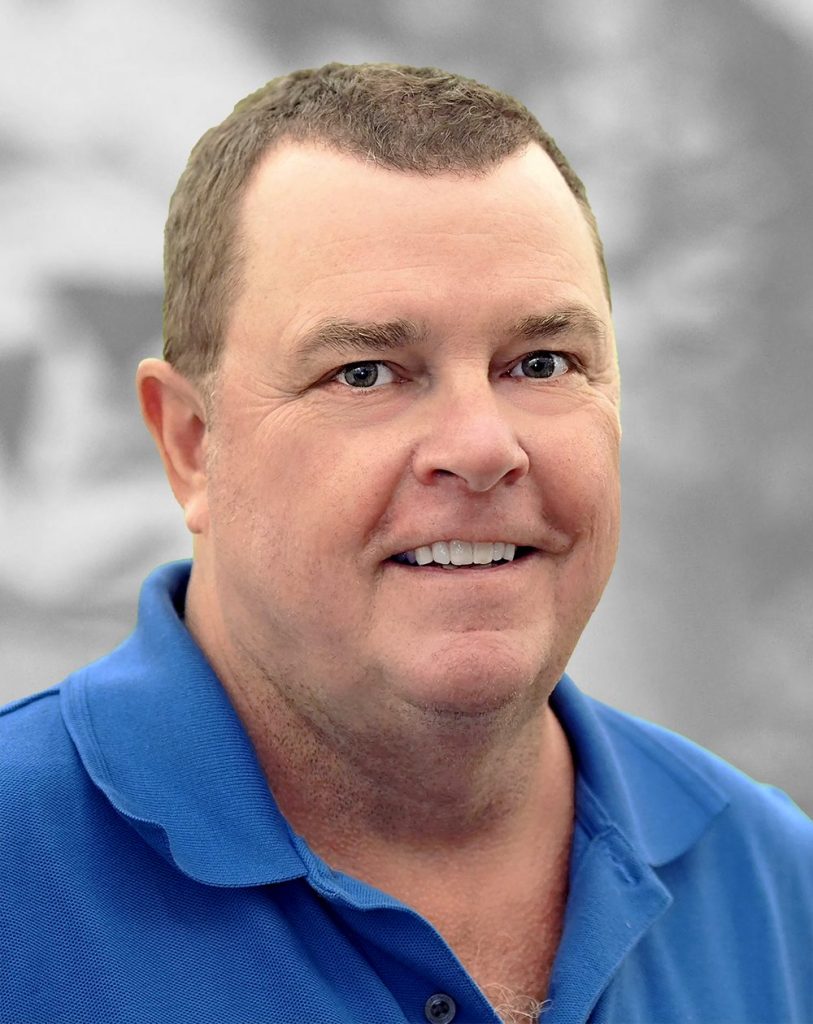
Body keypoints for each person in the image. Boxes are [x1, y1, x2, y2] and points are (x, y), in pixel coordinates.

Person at [1, 62, 810, 1024]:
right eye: (367, 372)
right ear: (191, 443)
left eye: (542, 363)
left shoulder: (772, 886)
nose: (480, 448)